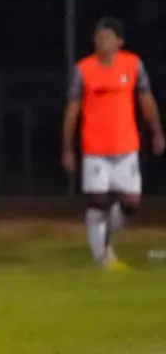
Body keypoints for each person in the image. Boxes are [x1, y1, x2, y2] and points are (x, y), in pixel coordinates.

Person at [62, 17, 165, 269]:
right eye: (98, 36)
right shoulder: (84, 69)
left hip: (126, 147)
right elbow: (72, 110)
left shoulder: (132, 65)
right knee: (99, 201)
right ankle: (102, 257)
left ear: (119, 42)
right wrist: (67, 148)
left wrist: (157, 131)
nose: (101, 41)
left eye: (107, 37)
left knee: (131, 202)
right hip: (95, 149)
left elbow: (146, 100)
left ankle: (102, 238)